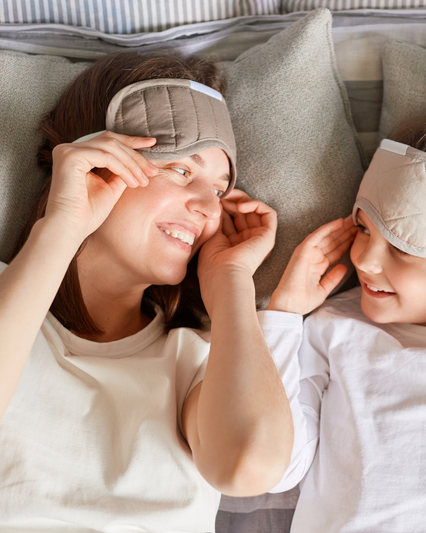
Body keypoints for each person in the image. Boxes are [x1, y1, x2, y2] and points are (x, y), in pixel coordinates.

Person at [0, 52, 293, 531]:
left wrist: (232, 284)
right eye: (181, 170)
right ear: (95, 164)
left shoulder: (199, 358)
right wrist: (62, 225)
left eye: (219, 190)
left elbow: (250, 467)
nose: (206, 208)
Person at [260, 59, 426, 532]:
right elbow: (277, 468)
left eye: (403, 247)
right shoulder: (330, 329)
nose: (364, 259)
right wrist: (282, 313)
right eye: (363, 228)